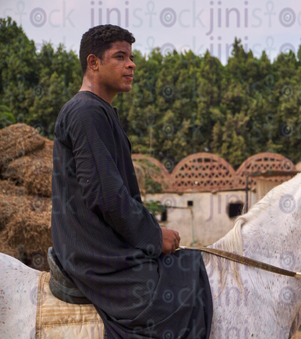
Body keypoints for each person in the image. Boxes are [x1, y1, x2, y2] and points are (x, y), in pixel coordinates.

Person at [51, 24, 213, 339]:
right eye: (120, 57)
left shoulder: (100, 111)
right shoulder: (85, 112)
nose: (132, 64)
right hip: (94, 253)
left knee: (190, 266)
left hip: (106, 246)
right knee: (181, 296)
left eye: (132, 57)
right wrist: (154, 235)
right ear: (93, 63)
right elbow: (108, 196)